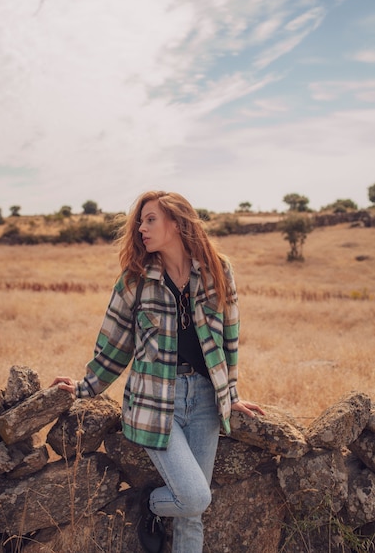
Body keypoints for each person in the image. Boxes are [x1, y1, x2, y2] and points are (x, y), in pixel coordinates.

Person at [51, 190, 264, 553]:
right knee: (195, 497)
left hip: (204, 403)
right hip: (153, 403)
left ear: (177, 223)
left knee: (192, 514)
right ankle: (151, 504)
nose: (141, 228)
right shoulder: (135, 280)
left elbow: (230, 341)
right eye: (140, 220)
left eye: (150, 219)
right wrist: (84, 387)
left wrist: (232, 396)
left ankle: (162, 508)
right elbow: (115, 345)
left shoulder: (217, 270)